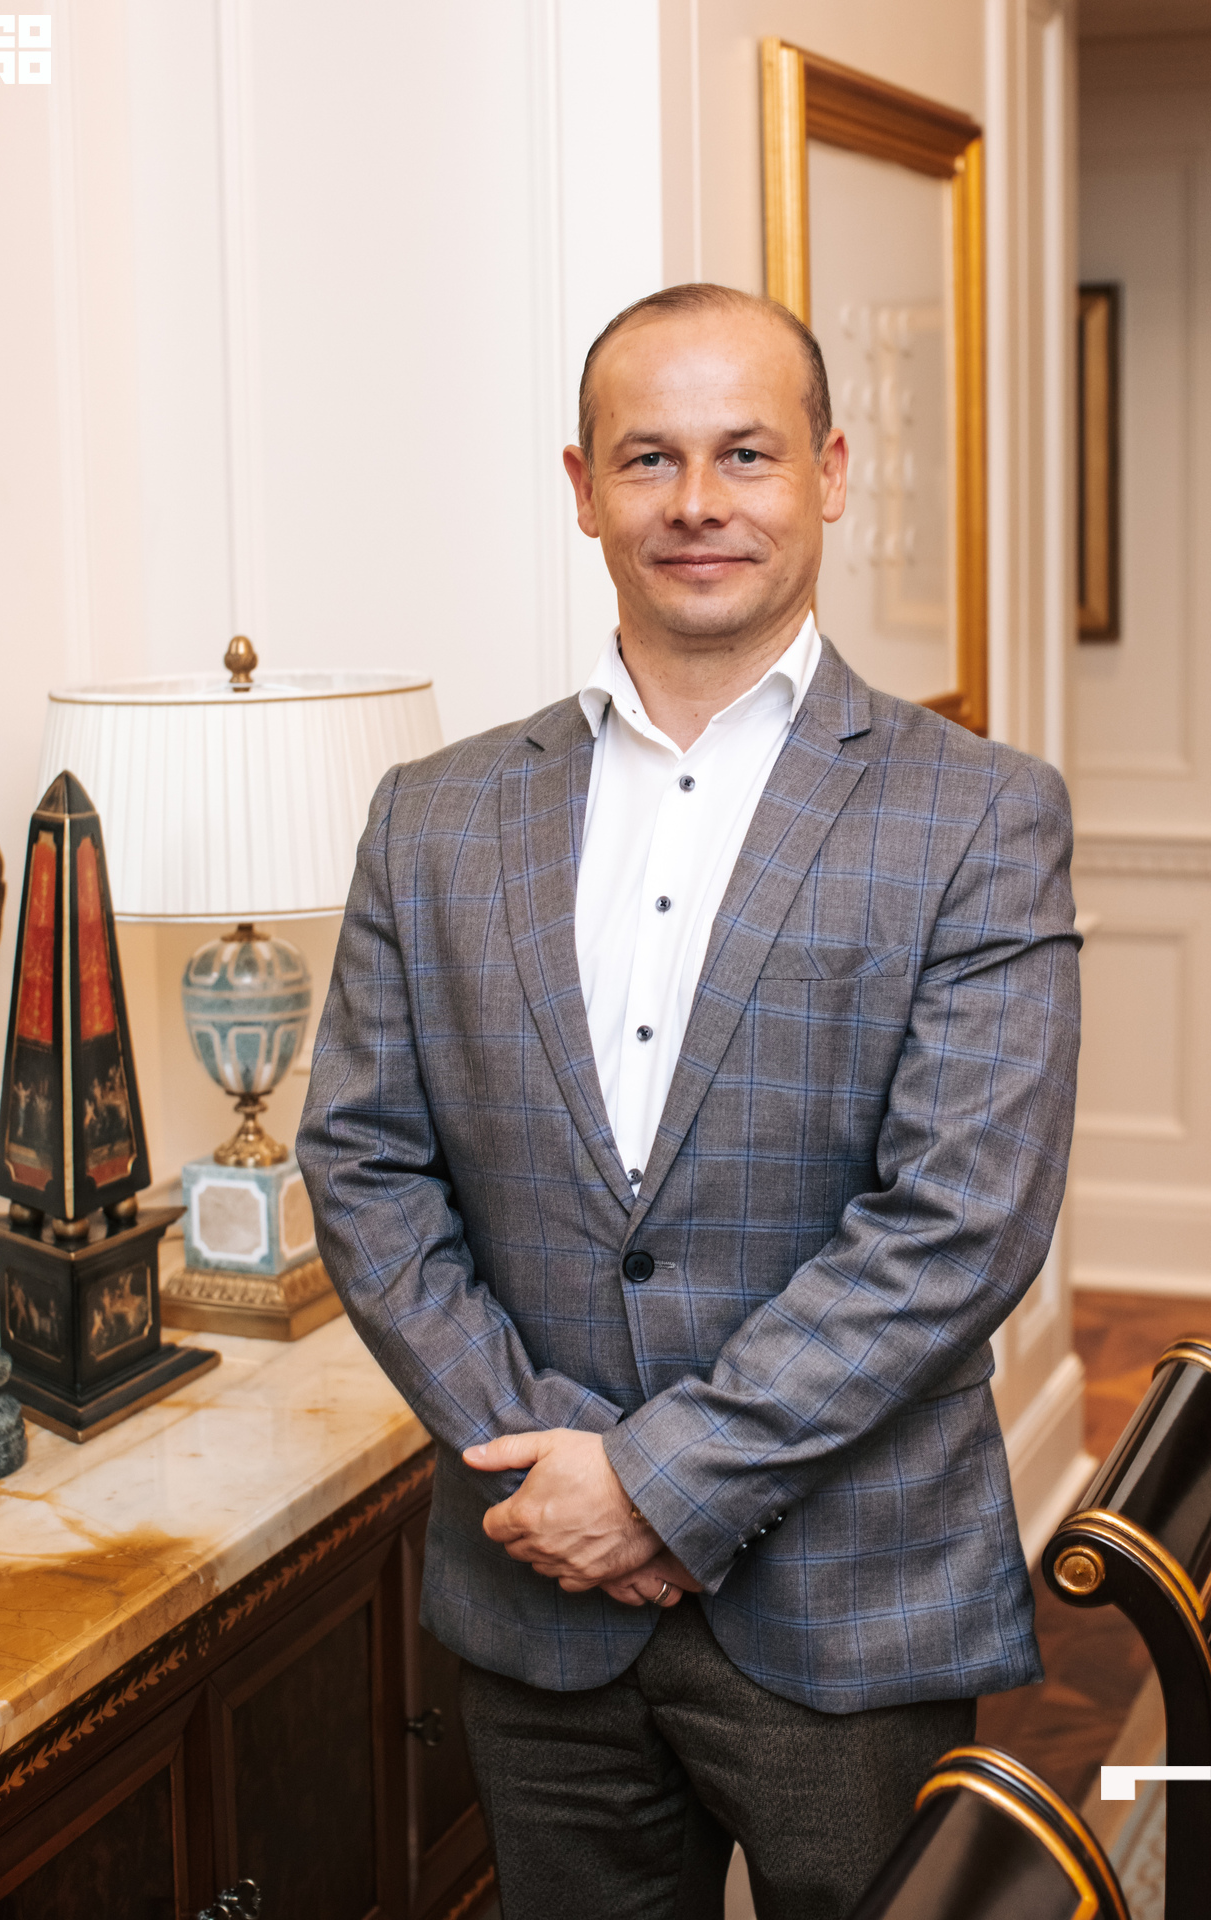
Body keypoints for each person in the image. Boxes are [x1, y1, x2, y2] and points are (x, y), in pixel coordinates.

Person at [298, 283, 1080, 1920]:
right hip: (537, 1604)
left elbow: (961, 1222)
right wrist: (550, 1477)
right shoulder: (433, 816)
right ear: (582, 488)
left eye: (747, 453)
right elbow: (364, 1167)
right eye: (648, 457)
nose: (698, 501)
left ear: (830, 475)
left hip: (847, 1608)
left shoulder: (980, 815)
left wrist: (656, 1485)